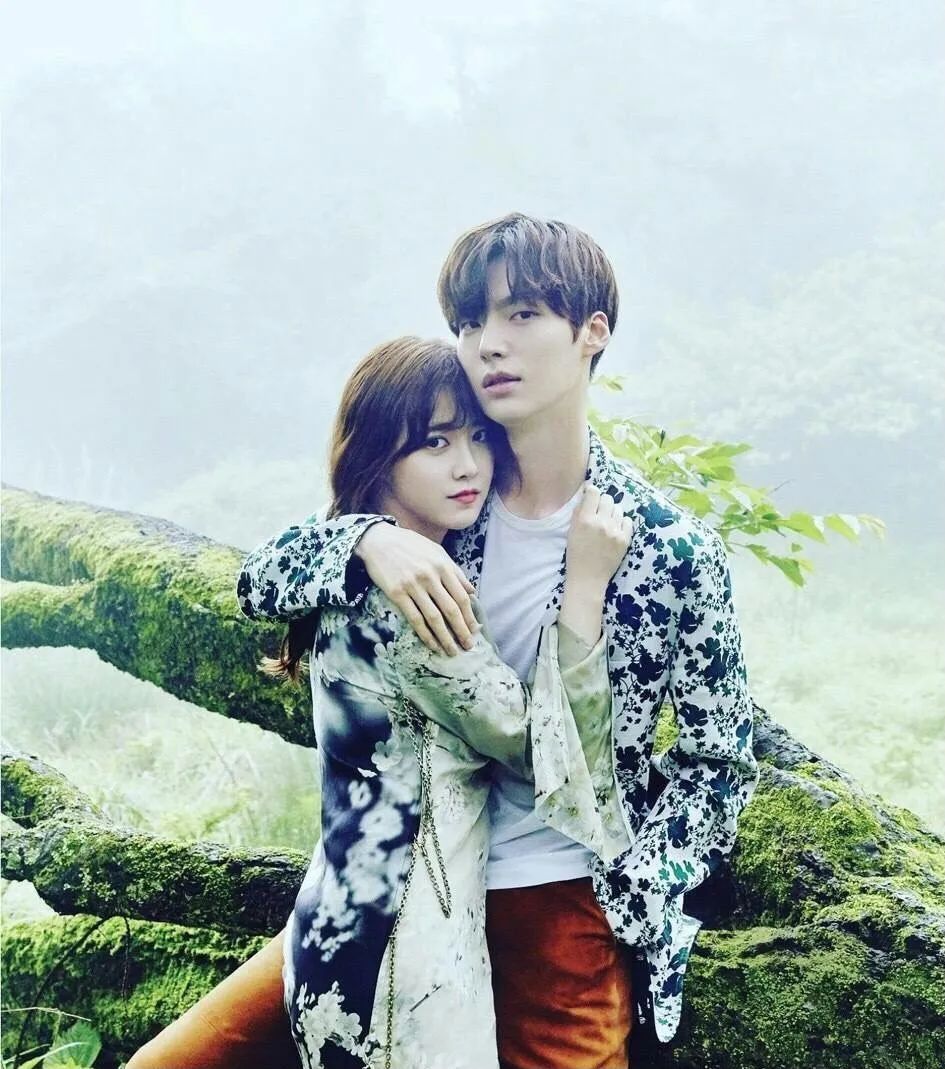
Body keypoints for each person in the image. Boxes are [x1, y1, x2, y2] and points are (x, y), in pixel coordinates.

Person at [235, 214, 759, 1068]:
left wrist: (636, 888)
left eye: (520, 315)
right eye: (469, 321)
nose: (488, 344)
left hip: (560, 901)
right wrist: (365, 538)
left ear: (592, 332)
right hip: (402, 896)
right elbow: (261, 576)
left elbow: (719, 761)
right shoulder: (448, 505)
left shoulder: (666, 549)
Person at [128, 335, 631, 1069]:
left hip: (336, 925)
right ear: (377, 455)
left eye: (477, 438)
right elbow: (544, 755)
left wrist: (362, 536)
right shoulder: (417, 596)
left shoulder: (346, 566)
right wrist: (584, 587)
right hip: (404, 953)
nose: (467, 465)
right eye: (435, 442)